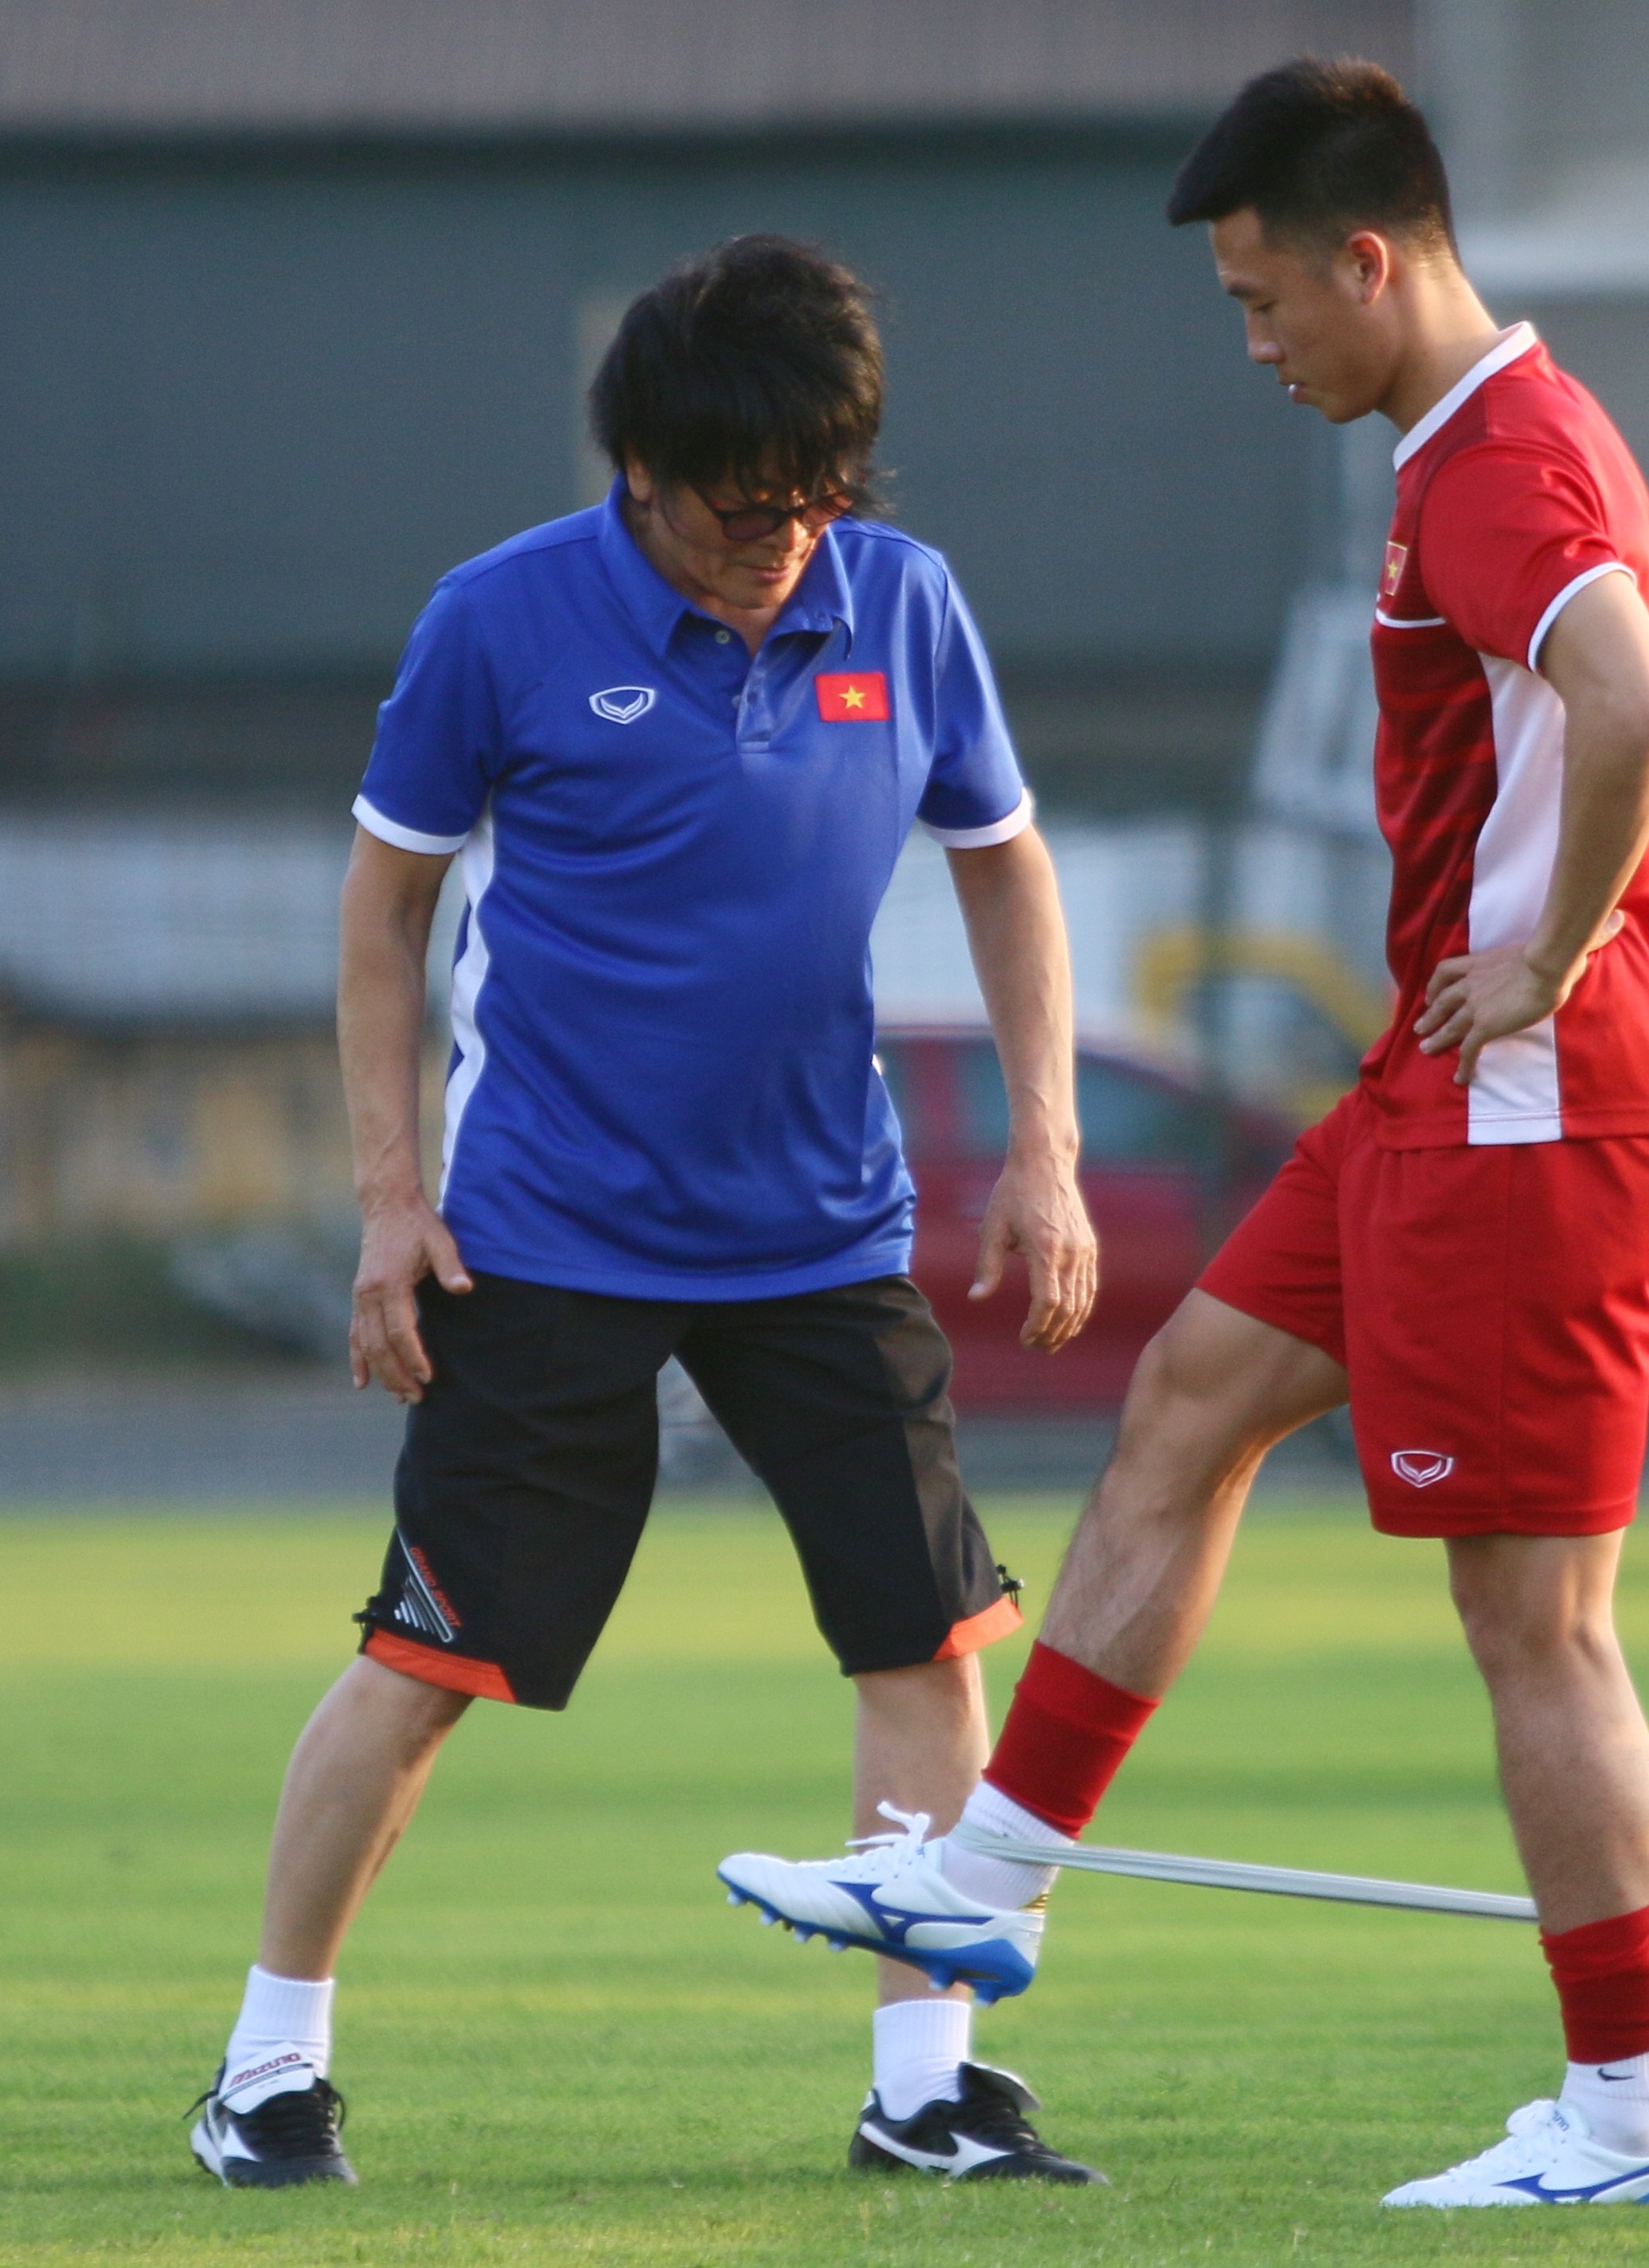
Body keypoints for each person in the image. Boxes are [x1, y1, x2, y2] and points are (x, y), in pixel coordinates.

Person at [721, 60, 1649, 2210]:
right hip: (1430, 1094)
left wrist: (1546, 963)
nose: (1258, 350)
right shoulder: (1470, 446)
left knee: (1535, 1625)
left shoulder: (1498, 463)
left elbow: (1633, 701)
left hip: (1532, 1105)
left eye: (1268, 305)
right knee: (1182, 1401)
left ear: (1373, 260)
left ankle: (1633, 2117)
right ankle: (983, 1885)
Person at [188, 234, 1107, 2191]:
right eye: (738, 507)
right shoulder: (500, 620)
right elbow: (385, 911)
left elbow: (1007, 870)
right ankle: (266, 2070)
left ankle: (926, 2086)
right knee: (425, 1665)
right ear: (641, 470)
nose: (780, 541)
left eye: (814, 499)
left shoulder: (903, 602)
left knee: (929, 1644)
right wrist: (385, 1203)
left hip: (823, 1235)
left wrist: (1046, 1146)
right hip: (544, 1235)